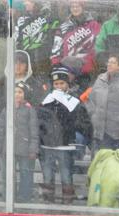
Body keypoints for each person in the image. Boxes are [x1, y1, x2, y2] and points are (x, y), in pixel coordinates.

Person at [39, 67, 92, 205]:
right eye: (56, 84)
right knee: (47, 176)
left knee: (66, 175)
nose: (59, 86)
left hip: (65, 145)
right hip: (47, 145)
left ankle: (67, 202)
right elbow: (40, 122)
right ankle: (48, 202)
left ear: (68, 84)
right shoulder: (46, 100)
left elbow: (83, 123)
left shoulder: (74, 102)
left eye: (62, 83)